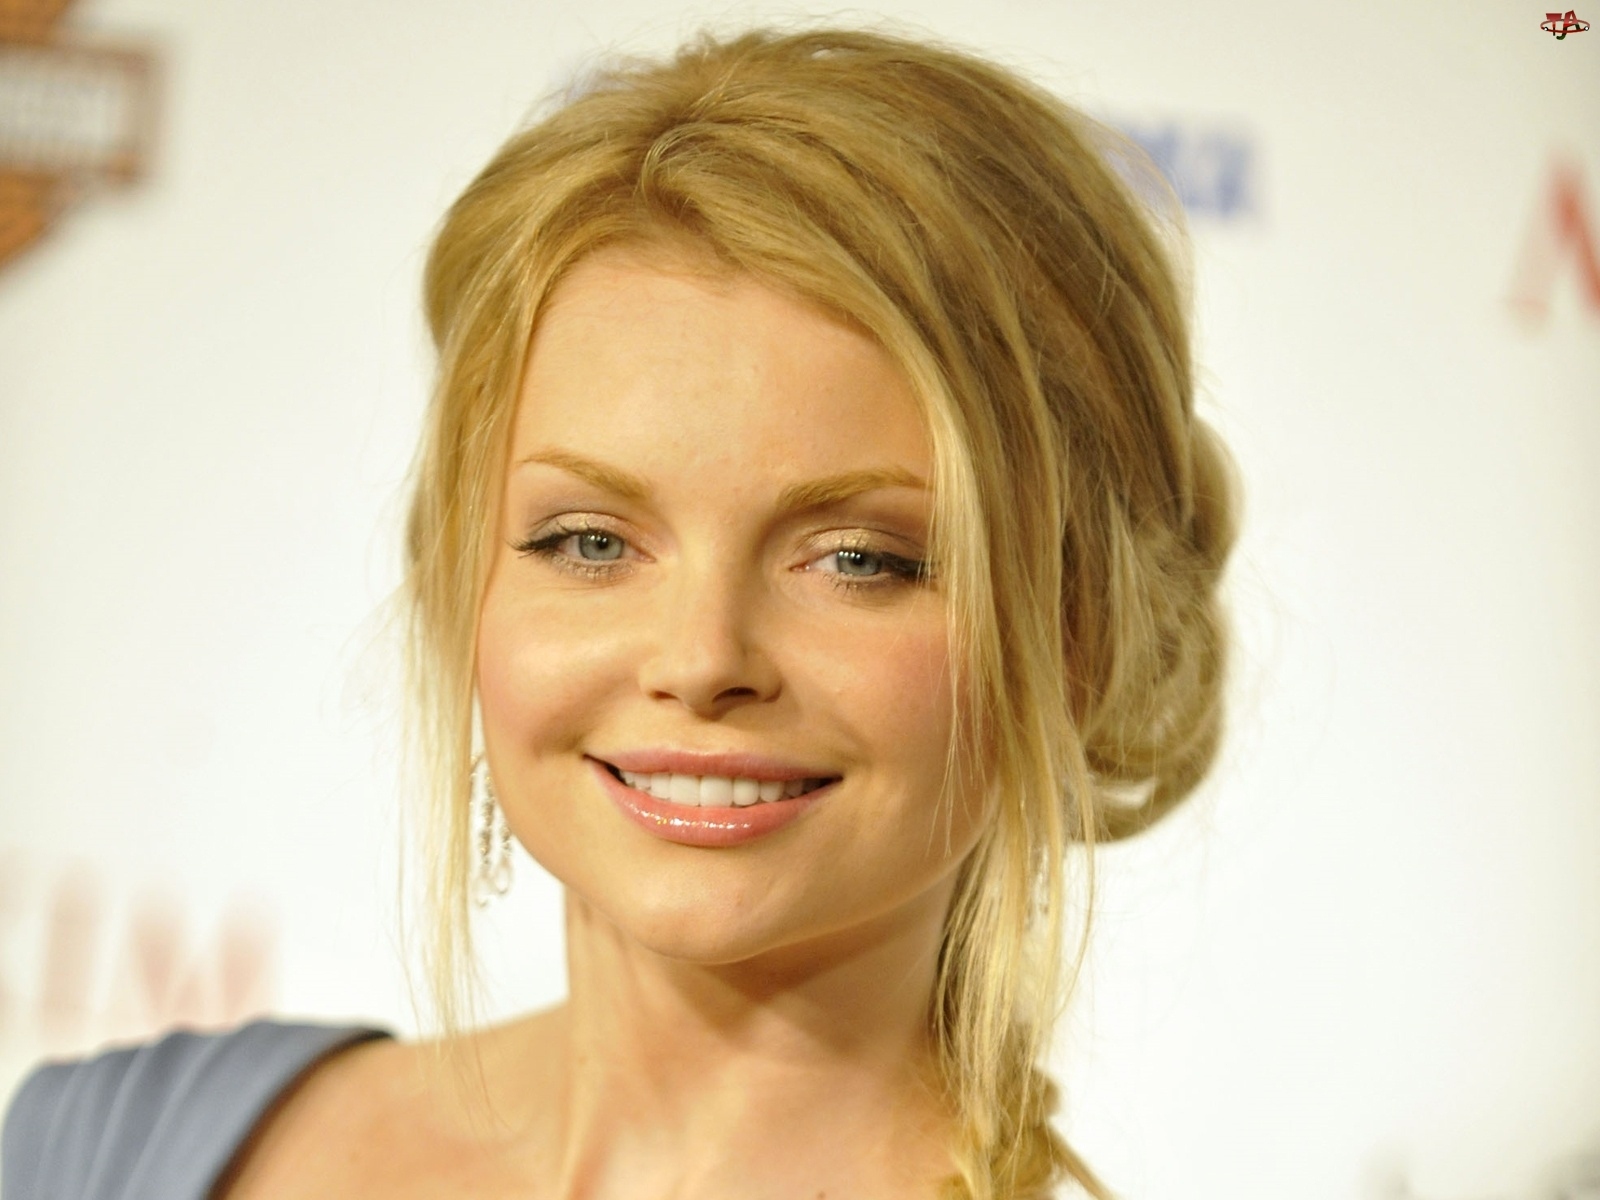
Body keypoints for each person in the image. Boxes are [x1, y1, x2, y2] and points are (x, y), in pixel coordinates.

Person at [1, 25, 1235, 1200]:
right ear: (462, 587)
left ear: (1080, 634)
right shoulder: (104, 1151)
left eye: (857, 559)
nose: (701, 659)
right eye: (591, 541)